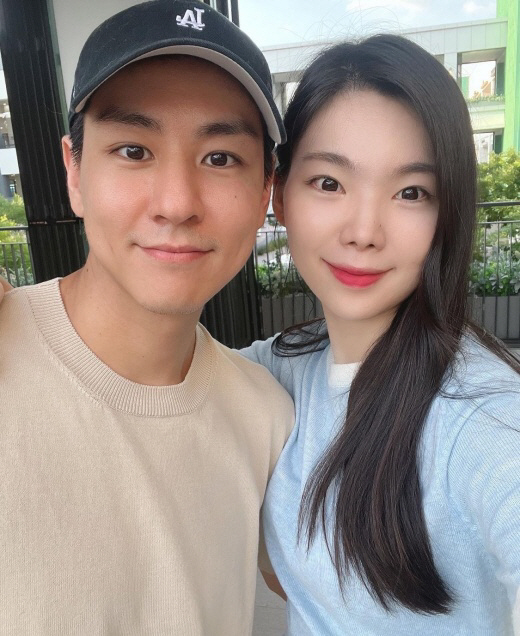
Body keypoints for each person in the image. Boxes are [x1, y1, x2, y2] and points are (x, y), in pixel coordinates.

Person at [0, 1, 293, 633]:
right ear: (75, 172)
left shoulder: (267, 416)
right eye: (134, 150)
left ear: (265, 192)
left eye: (221, 157)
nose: (177, 203)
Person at [241, 35, 520, 635]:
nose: (364, 231)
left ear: (447, 213)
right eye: (329, 183)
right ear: (280, 195)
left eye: (410, 193)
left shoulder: (481, 413)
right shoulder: (283, 367)